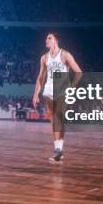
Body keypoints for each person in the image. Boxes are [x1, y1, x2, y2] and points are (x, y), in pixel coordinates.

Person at [32, 33, 82, 163]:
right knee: (53, 119)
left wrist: (72, 86)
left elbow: (79, 72)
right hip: (49, 89)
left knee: (59, 117)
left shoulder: (65, 55)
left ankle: (59, 150)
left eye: (49, 38)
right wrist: (36, 93)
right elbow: (40, 77)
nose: (46, 40)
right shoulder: (44, 58)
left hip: (62, 89)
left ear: (56, 41)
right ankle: (58, 150)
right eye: (46, 38)